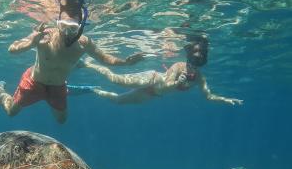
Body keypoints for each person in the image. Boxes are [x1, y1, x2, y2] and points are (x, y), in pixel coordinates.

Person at [0, 0, 145, 123]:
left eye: (72, 27)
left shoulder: (84, 43)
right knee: (11, 112)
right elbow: (12, 49)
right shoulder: (45, 35)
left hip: (58, 87)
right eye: (63, 26)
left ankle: (66, 90)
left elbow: (105, 58)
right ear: (57, 21)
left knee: (62, 120)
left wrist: (125, 62)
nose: (66, 32)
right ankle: (1, 91)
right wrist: (31, 42)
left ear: (81, 27)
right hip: (34, 82)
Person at [69, 35, 243, 106]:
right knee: (115, 79)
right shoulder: (178, 67)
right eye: (193, 60)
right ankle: (88, 64)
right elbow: (167, 85)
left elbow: (208, 95)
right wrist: (177, 82)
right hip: (151, 80)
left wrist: (225, 99)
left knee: (117, 101)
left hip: (152, 94)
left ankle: (92, 90)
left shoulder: (199, 78)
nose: (193, 66)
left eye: (198, 62)